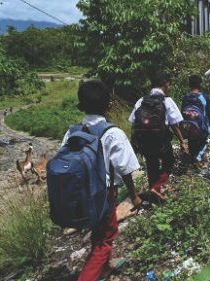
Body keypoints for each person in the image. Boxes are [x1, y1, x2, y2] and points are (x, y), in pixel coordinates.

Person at [60, 80, 142, 281]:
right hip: (104, 195)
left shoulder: (72, 132)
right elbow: (125, 169)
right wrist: (134, 196)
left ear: (81, 106)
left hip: (80, 194)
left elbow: (62, 162)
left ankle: (105, 267)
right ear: (109, 105)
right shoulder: (113, 133)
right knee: (106, 238)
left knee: (98, 233)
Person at [129, 73, 188, 200]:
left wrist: (135, 142)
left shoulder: (141, 101)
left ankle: (154, 196)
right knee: (169, 161)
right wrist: (182, 142)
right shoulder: (167, 101)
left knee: (151, 165)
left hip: (144, 141)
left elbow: (133, 121)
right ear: (164, 85)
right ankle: (157, 188)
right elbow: (174, 125)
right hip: (161, 140)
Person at [180, 75, 210, 167]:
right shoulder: (204, 97)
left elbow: (182, 114)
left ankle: (193, 159)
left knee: (192, 142)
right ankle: (197, 160)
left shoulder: (185, 97)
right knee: (203, 143)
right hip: (201, 128)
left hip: (188, 128)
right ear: (200, 84)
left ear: (189, 85)